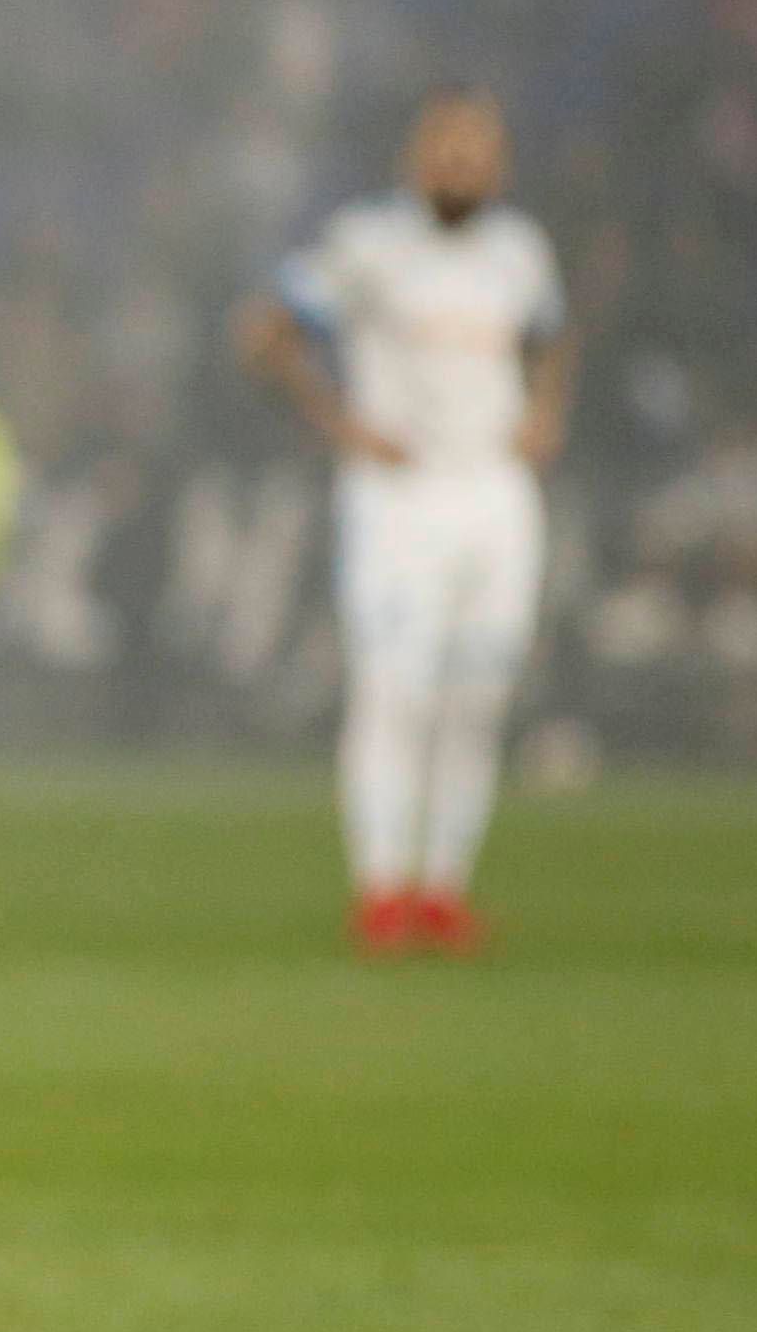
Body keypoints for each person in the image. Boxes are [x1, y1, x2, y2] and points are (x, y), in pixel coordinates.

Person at [237, 88, 572, 952]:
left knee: (478, 698)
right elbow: (266, 332)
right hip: (400, 496)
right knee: (396, 693)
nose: (462, 163)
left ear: (498, 162)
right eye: (447, 147)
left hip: (494, 495)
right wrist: (341, 423)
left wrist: (545, 413)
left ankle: (443, 892)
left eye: (478, 149)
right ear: (415, 156)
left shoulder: (519, 251)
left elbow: (550, 336)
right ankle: (382, 889)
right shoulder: (369, 245)